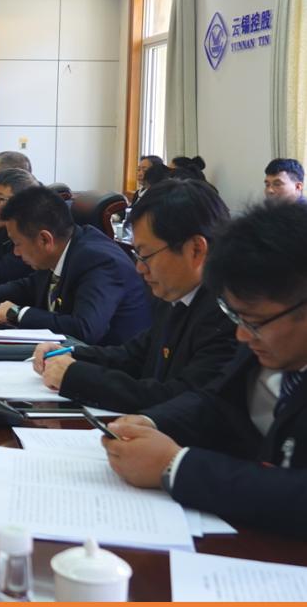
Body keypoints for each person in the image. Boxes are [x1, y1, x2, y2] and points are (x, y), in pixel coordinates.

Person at [103, 201, 307, 537]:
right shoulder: (264, 340)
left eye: (254, 323)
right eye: (236, 318)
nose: (242, 336)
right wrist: (153, 421)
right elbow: (217, 400)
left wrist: (175, 466)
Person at [30, 179, 237, 412]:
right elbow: (134, 355)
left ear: (196, 249)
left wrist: (76, 377)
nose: (139, 268)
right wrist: (69, 352)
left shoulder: (230, 313)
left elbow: (181, 399)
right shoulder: (176, 294)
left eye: (145, 255)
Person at [0, 186, 151, 345]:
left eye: (17, 244)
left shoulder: (99, 261)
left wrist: (18, 313)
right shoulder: (64, 247)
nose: (15, 252)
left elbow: (84, 328)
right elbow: (29, 285)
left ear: (45, 239)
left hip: (107, 372)